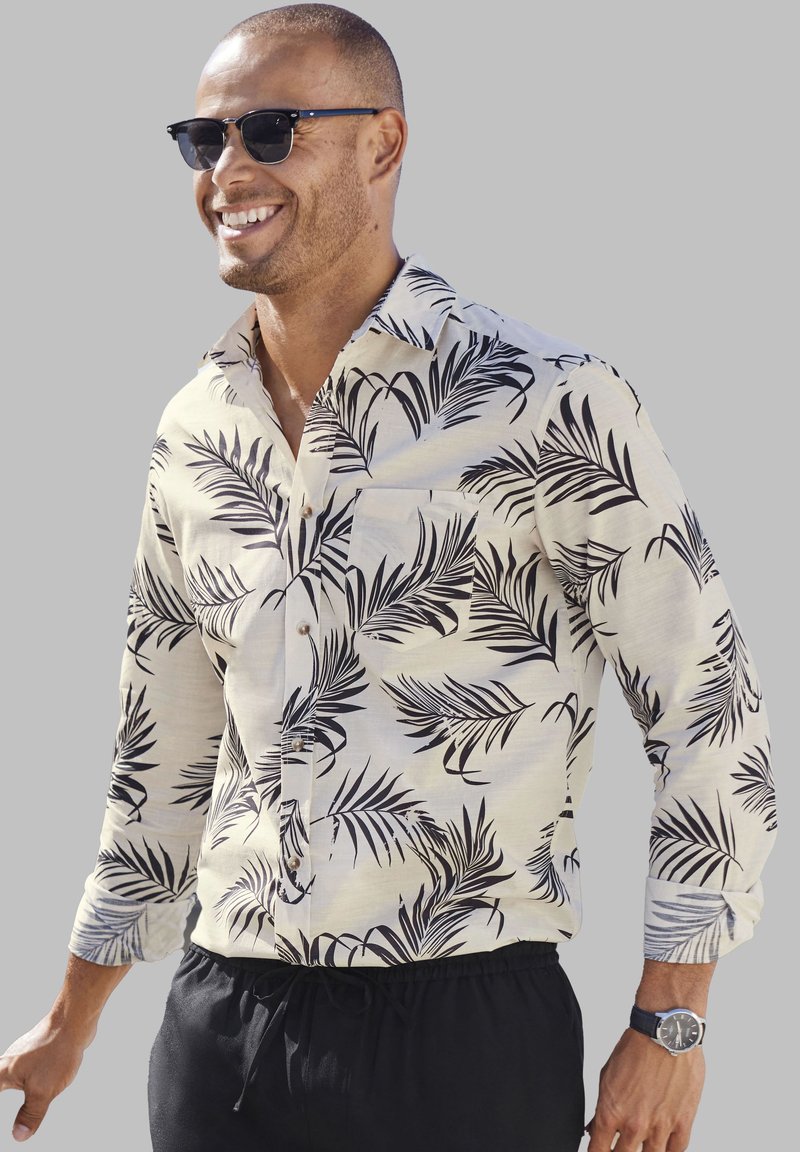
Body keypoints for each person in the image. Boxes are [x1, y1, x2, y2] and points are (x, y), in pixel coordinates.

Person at [0, 4, 776, 1150]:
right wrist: (75, 1016)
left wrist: (671, 1021)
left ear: (384, 142)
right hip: (223, 1024)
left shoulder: (546, 400)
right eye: (203, 139)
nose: (228, 170)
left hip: (460, 1030)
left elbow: (709, 710)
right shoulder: (195, 426)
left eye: (271, 130)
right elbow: (161, 753)